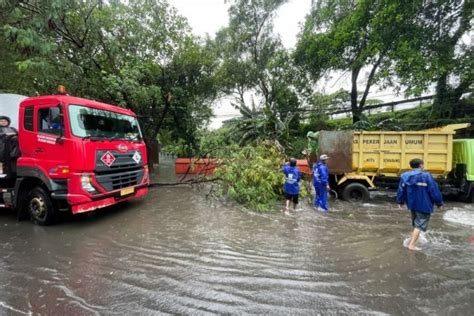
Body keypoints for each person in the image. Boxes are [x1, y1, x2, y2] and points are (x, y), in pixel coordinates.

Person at [397, 158, 443, 251]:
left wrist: (400, 201)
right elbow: (434, 190)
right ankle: (412, 245)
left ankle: (412, 240)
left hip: (412, 204)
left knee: (416, 224)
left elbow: (401, 190)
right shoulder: (426, 176)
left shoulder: (405, 176)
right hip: (424, 204)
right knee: (419, 225)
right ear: (421, 165)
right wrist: (439, 202)